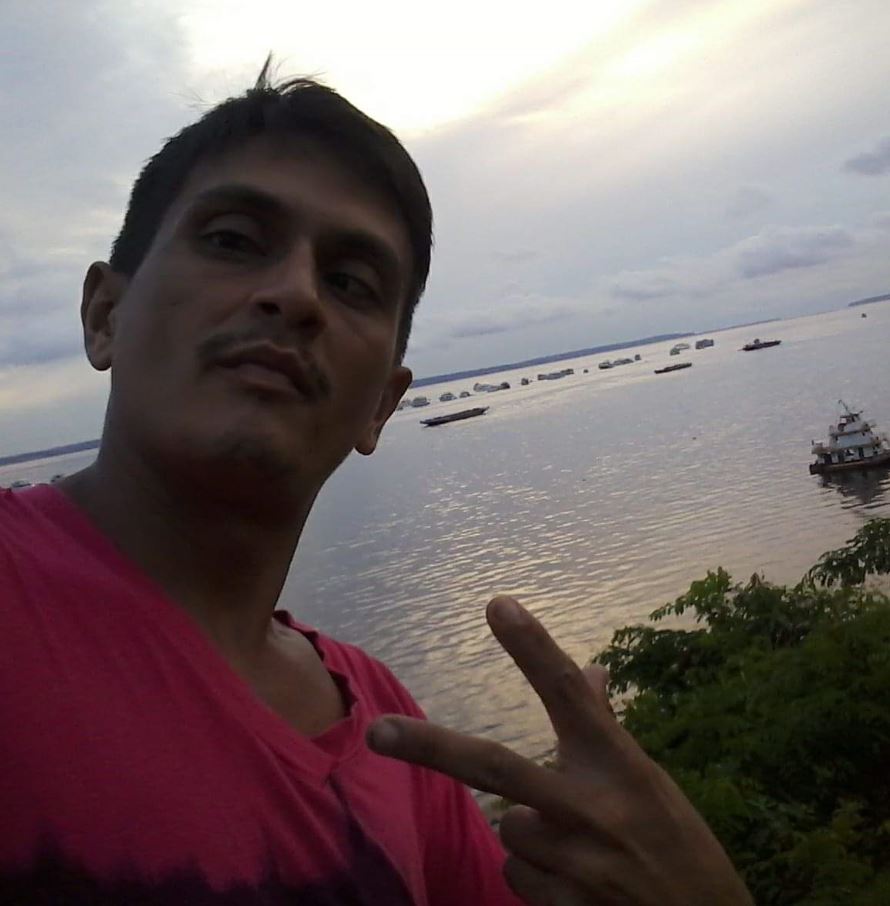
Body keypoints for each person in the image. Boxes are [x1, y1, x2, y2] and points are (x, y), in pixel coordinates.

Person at [0, 64, 752, 904]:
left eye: (351, 283)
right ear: (105, 314)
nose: (295, 294)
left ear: (381, 407)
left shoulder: (391, 733)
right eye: (233, 240)